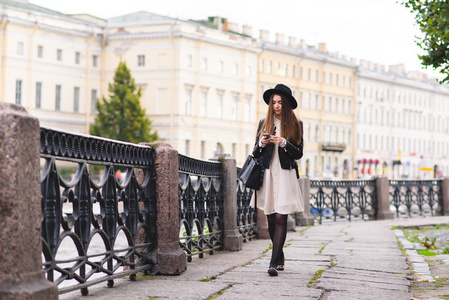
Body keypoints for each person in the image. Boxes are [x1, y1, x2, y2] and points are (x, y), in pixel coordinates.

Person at [252, 83, 304, 276]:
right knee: (272, 218)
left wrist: (284, 143)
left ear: (287, 104)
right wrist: (261, 143)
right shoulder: (263, 124)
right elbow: (255, 153)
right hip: (267, 175)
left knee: (282, 216)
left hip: (285, 175)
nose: (276, 106)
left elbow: (298, 153)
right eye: (273, 102)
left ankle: (273, 262)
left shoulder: (296, 125)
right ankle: (279, 254)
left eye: (280, 102)